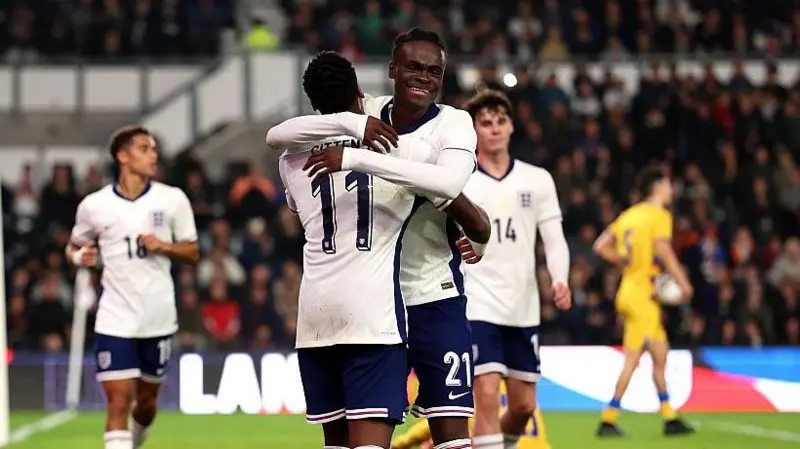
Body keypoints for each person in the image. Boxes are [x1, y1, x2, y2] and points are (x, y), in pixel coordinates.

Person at [269, 28, 489, 449]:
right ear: (391, 70)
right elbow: (283, 131)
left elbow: (451, 186)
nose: (423, 78)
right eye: (413, 67)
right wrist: (355, 128)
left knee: (450, 431)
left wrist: (480, 235)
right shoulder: (364, 114)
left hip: (430, 295)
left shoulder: (454, 123)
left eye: (434, 71)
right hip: (374, 306)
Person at [66, 126, 199, 449]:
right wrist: (80, 256)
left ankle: (136, 441)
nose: (153, 155)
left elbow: (192, 252)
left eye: (153, 148)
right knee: (117, 403)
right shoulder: (94, 205)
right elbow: (73, 246)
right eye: (144, 148)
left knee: (146, 404)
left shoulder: (172, 198)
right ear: (122, 156)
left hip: (157, 318)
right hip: (115, 317)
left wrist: (163, 246)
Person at [463, 89, 571, 449]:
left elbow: (553, 238)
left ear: (511, 127)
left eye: (500, 121)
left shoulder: (537, 179)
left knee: (524, 406)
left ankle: (498, 445)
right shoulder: (460, 179)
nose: (494, 128)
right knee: (488, 393)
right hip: (476, 300)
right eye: (485, 122)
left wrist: (560, 279)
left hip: (523, 305)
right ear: (474, 129)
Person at [592, 165, 695, 437]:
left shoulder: (629, 215)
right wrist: (684, 284)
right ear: (658, 186)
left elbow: (601, 246)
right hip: (642, 295)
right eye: (669, 184)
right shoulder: (659, 215)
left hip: (629, 290)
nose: (672, 189)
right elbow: (664, 250)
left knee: (660, 352)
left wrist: (624, 260)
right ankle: (608, 419)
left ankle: (670, 417)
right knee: (633, 359)